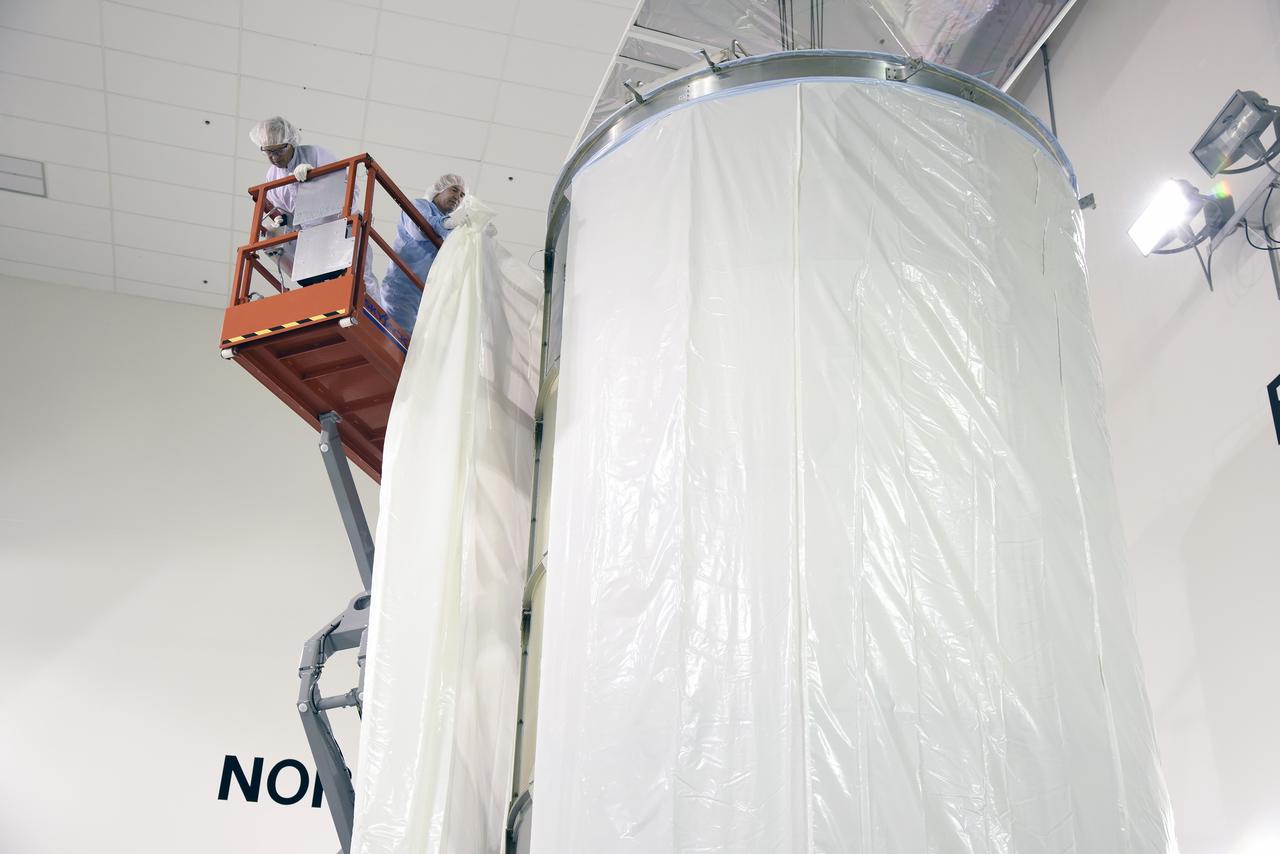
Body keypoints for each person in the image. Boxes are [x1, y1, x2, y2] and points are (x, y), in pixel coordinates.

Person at [381, 173, 467, 334]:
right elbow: (419, 229)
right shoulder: (420, 205)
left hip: (423, 297)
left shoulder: (448, 229)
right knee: (398, 344)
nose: (458, 197)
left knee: (414, 348)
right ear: (439, 190)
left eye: (462, 195)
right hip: (402, 289)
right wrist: (448, 224)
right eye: (454, 190)